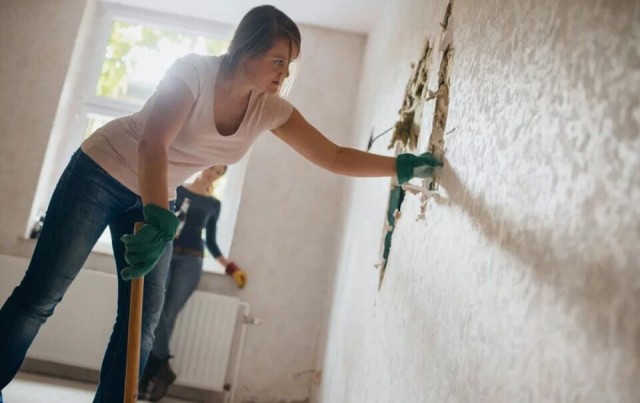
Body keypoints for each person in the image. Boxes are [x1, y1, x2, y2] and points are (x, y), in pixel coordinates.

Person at [0, 5, 442, 402]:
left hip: (155, 195)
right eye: (277, 61)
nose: (283, 74)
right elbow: (153, 145)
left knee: (142, 324)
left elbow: (332, 156)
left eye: (289, 65)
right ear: (244, 50)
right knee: (41, 296)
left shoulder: (270, 109)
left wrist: (401, 166)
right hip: (101, 172)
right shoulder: (192, 71)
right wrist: (158, 215)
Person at [138, 165, 246, 401]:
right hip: (164, 253)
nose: (212, 173)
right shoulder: (176, 188)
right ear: (204, 165)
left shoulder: (213, 204)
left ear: (219, 178)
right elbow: (157, 220)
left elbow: (212, 242)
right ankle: (161, 368)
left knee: (167, 314)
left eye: (218, 173)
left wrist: (231, 267)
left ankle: (149, 373)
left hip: (191, 260)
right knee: (153, 312)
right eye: (212, 168)